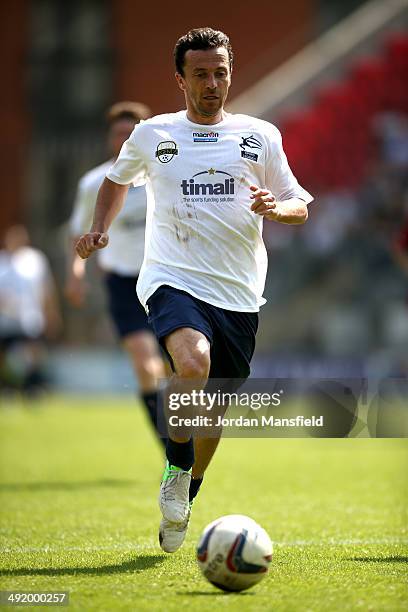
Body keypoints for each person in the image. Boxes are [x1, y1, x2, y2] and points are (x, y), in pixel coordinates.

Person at [76, 28, 313, 553]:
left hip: (240, 292)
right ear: (179, 79)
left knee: (214, 411)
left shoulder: (260, 135)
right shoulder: (153, 134)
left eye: (221, 72)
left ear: (230, 73)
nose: (212, 83)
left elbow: (299, 202)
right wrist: (100, 226)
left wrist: (277, 208)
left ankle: (186, 487)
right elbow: (116, 180)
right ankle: (176, 466)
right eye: (201, 74)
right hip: (171, 277)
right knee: (192, 362)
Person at [66, 101, 165, 445]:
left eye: (130, 133)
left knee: (184, 366)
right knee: (144, 363)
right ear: (110, 139)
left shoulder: (162, 175)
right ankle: (169, 444)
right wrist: (75, 272)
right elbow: (77, 235)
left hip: (168, 279)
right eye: (118, 133)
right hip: (123, 282)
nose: (123, 139)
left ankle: (183, 433)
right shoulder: (94, 183)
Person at [0, 225, 61, 394]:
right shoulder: (1, 262)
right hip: (5, 319)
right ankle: (8, 386)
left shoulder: (35, 260)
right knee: (4, 355)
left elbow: (46, 288)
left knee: (34, 352)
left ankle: (32, 386)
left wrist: (51, 313)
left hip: (30, 317)